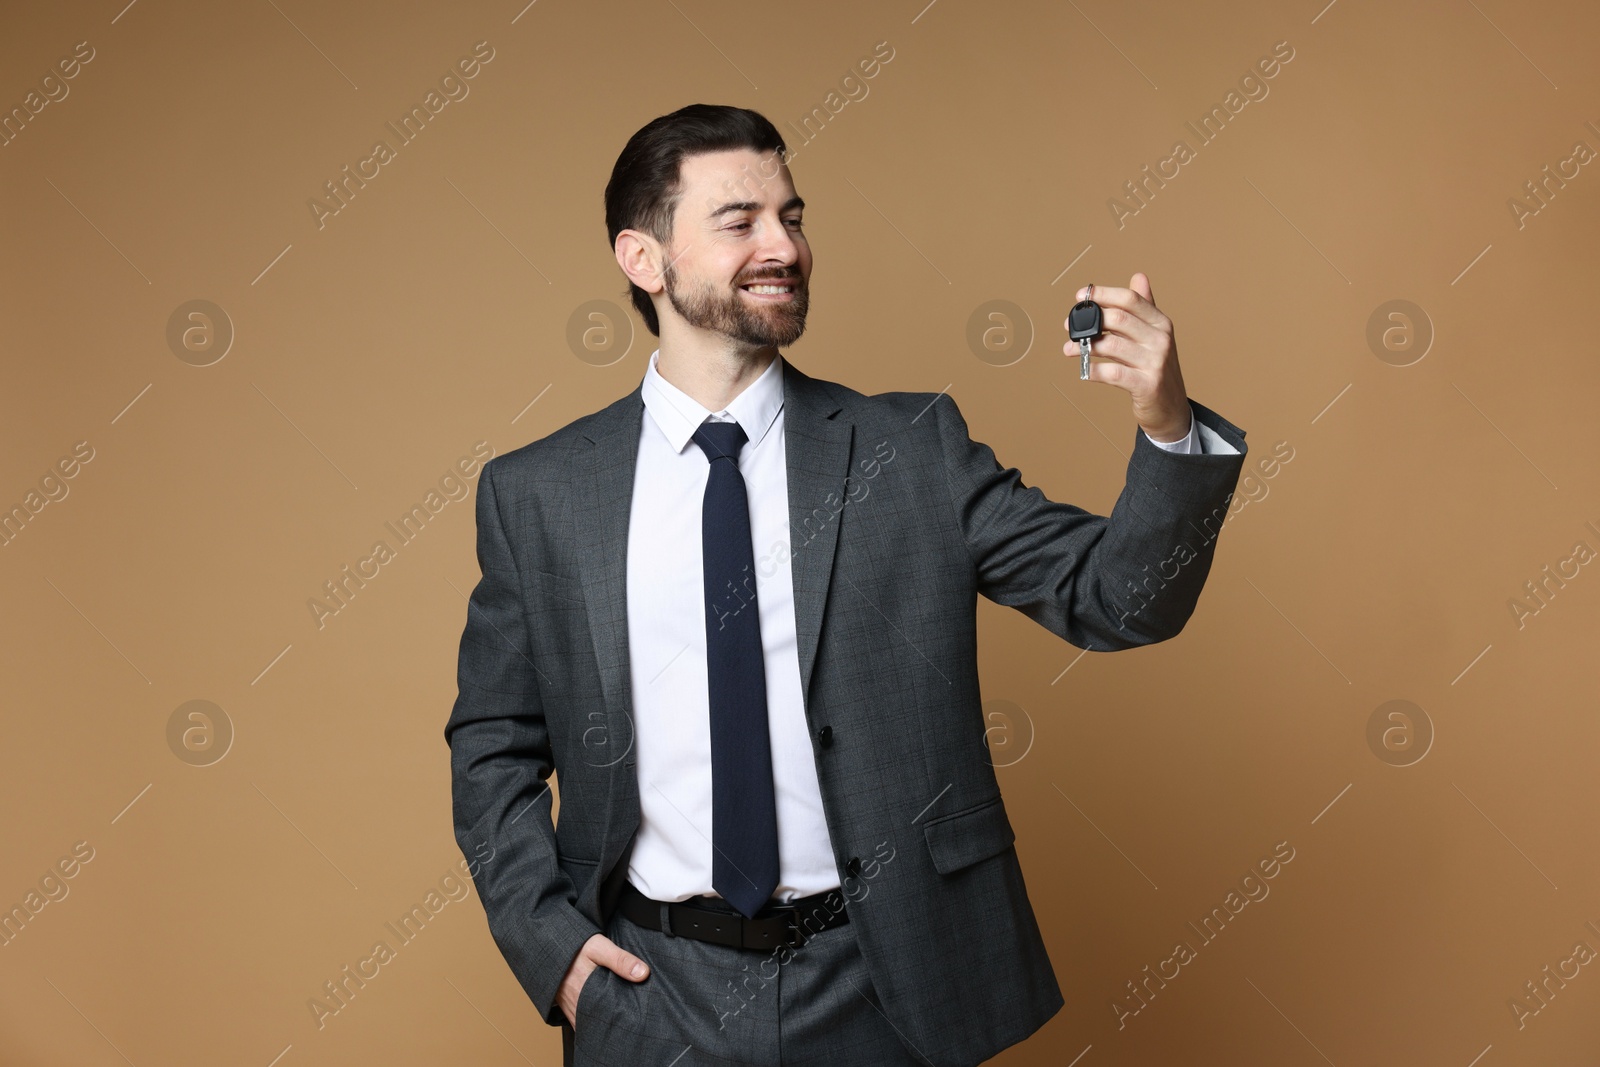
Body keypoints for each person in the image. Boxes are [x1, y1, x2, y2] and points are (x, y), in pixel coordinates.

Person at [445, 103, 1248, 1067]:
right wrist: (557, 954)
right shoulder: (540, 493)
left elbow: (1121, 598)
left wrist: (1166, 423)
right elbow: (493, 742)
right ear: (642, 258)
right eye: (738, 221)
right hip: (651, 999)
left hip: (881, 989)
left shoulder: (912, 453)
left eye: (793, 216)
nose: (782, 245)